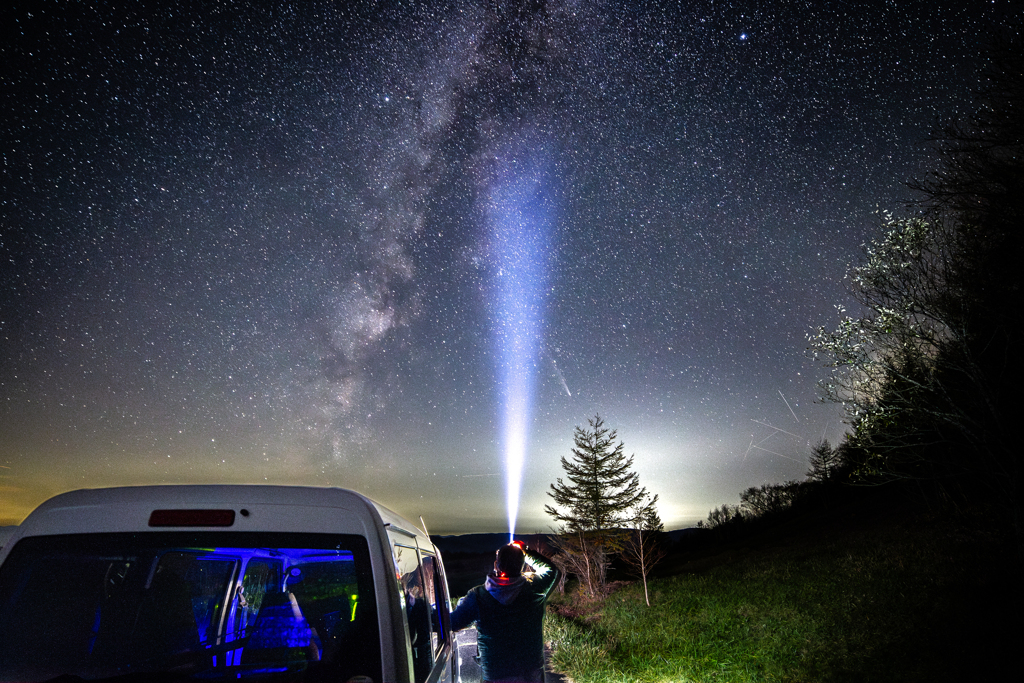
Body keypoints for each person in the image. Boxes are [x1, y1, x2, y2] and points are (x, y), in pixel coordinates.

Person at [450, 541, 561, 683]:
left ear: (496, 565)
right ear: (521, 566)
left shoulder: (478, 596)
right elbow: (551, 570)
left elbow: (454, 623)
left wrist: (419, 608)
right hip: (530, 672)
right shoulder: (534, 590)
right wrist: (526, 552)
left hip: (495, 673)